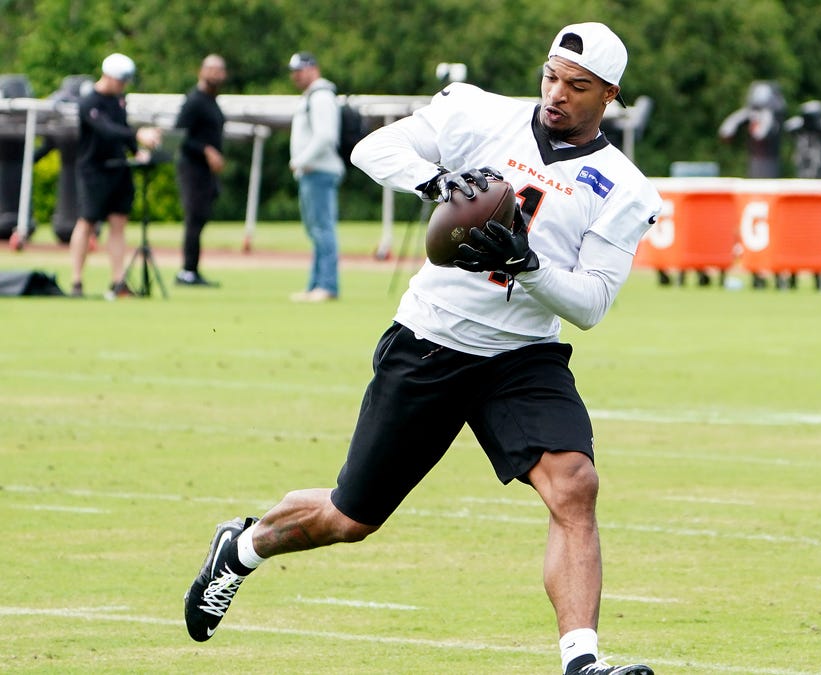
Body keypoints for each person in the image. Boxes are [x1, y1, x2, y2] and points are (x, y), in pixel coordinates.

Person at [183, 22, 660, 675]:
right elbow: (372, 148)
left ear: (609, 94)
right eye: (551, 76)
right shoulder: (477, 112)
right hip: (432, 339)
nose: (556, 94)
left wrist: (528, 266)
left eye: (577, 86)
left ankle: (582, 660)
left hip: (521, 356)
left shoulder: (623, 185)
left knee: (574, 484)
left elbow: (591, 305)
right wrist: (437, 184)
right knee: (350, 517)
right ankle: (241, 548)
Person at [69, 53, 161, 299]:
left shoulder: (119, 101)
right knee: (87, 222)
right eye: (120, 80)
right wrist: (137, 134)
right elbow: (107, 130)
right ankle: (76, 281)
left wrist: (136, 152)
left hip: (119, 169)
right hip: (94, 171)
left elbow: (122, 130)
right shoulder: (89, 103)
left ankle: (118, 281)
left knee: (119, 222)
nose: (122, 86)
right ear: (107, 75)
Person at [286, 51, 342, 302]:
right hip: (311, 173)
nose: (296, 76)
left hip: (319, 171)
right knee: (316, 230)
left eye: (300, 70)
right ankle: (315, 284)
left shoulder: (321, 97)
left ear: (313, 69)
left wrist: (300, 161)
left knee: (323, 229)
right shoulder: (311, 96)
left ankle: (327, 285)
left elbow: (325, 136)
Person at [174, 54, 227, 287]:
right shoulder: (194, 101)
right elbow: (179, 135)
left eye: (219, 69)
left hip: (206, 173)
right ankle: (188, 271)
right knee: (194, 219)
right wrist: (206, 150)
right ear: (201, 71)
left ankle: (192, 269)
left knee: (201, 217)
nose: (215, 74)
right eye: (211, 69)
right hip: (193, 169)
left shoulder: (212, 101)